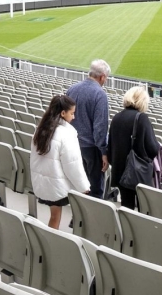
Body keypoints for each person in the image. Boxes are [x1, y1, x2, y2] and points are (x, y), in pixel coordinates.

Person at [30, 94, 91, 229]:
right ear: (63, 113)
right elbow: (72, 164)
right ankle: (50, 246)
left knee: (54, 215)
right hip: (56, 186)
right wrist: (83, 187)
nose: (74, 117)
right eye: (72, 113)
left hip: (43, 183)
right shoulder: (66, 133)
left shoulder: (40, 129)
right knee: (55, 217)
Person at [107, 86, 161, 210]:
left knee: (126, 208)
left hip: (120, 172)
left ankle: (127, 229)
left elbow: (110, 147)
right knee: (144, 209)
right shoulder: (142, 118)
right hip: (138, 172)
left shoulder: (117, 117)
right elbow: (153, 148)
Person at [66, 59, 111, 198]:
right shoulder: (100, 94)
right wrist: (104, 151)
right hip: (91, 149)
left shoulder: (72, 89)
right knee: (95, 190)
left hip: (73, 144)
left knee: (79, 186)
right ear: (102, 76)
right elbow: (99, 128)